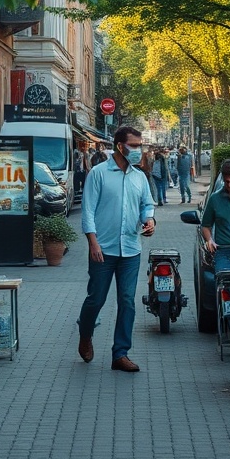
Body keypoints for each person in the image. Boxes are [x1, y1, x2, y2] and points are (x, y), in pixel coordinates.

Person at [78, 126, 155, 372]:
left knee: (127, 301)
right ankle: (85, 334)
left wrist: (149, 220)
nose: (138, 150)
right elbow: (87, 210)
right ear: (120, 146)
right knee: (96, 299)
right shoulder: (99, 174)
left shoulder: (139, 177)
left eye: (139, 145)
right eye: (134, 145)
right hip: (103, 249)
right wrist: (93, 242)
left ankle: (120, 353)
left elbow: (147, 204)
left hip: (131, 249)